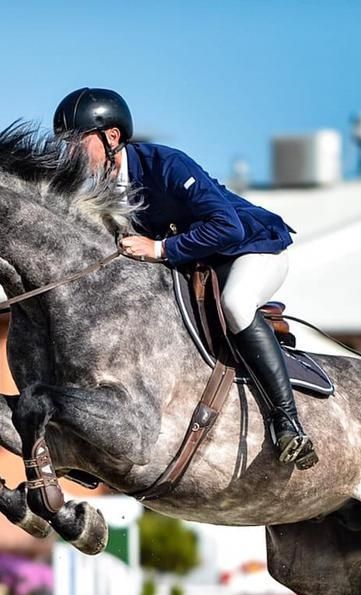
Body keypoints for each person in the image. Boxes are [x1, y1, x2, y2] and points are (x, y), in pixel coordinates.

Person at [52, 88, 316, 469]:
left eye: (77, 142)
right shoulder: (95, 188)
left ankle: (287, 422)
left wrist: (159, 249)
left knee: (235, 303)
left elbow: (228, 229)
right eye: (64, 144)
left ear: (111, 137)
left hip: (252, 250)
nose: (69, 154)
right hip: (196, 266)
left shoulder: (166, 165)